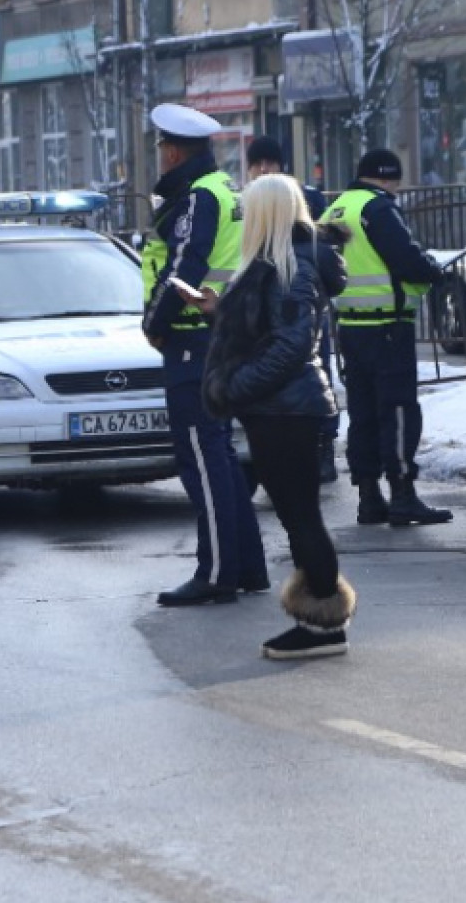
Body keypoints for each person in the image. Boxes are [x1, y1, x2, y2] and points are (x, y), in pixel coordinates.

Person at [196, 173, 355, 659]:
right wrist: (217, 313)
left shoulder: (290, 266)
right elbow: (268, 331)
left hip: (287, 410)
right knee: (294, 514)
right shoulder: (278, 262)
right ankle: (320, 620)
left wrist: (235, 387)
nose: (242, 217)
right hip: (280, 408)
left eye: (248, 209)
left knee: (301, 514)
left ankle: (325, 624)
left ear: (266, 214)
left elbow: (290, 345)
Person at [142, 103, 267, 606]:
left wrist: (155, 323)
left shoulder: (197, 198)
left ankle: (216, 572)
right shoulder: (224, 190)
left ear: (172, 151)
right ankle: (246, 566)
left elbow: (183, 270)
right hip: (218, 337)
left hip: (194, 340)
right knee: (219, 456)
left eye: (161, 150)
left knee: (200, 458)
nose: (161, 158)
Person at [319, 149, 454, 528]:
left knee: (362, 413)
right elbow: (405, 258)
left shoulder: (337, 209)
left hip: (350, 325)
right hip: (388, 327)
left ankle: (368, 496)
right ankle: (402, 493)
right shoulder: (378, 209)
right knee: (396, 410)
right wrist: (433, 272)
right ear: (389, 177)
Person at [248, 134, 342, 485]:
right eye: (257, 164)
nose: (263, 169)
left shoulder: (307, 198)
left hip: (302, 297)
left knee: (316, 370)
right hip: (266, 301)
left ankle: (324, 446)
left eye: (269, 163)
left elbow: (322, 248)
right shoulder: (248, 201)